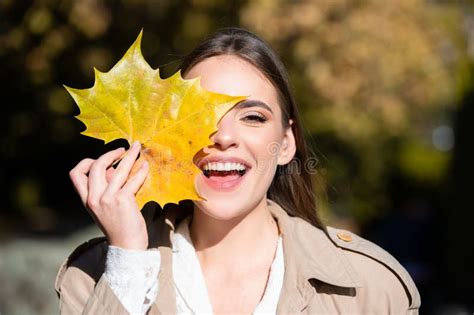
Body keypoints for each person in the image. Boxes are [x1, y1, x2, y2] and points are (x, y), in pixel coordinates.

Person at [55, 28, 420, 314]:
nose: (224, 137)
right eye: (200, 117)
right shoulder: (92, 278)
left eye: (253, 117)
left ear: (287, 143)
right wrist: (128, 263)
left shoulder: (373, 288)